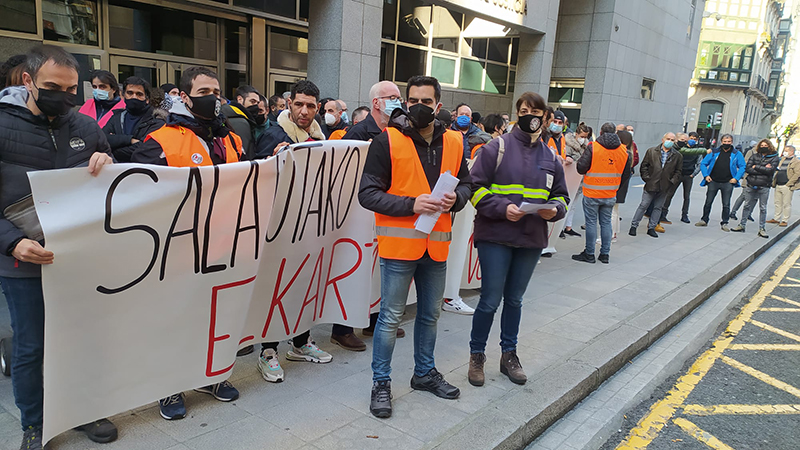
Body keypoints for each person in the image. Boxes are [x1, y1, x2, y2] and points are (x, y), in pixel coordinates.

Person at [0, 44, 117, 449]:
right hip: (23, 260)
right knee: (31, 346)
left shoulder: (85, 127)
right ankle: (36, 423)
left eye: (72, 90)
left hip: (80, 257)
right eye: (53, 87)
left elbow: (116, 183)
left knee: (84, 337)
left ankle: (85, 409)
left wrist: (108, 165)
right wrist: (12, 242)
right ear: (28, 81)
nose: (64, 97)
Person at [131, 66, 245, 420]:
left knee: (213, 315)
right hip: (177, 247)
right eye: (204, 90)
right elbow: (141, 194)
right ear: (184, 96)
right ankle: (168, 387)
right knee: (174, 317)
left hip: (223, 243)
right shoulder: (161, 140)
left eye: (216, 90)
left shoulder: (231, 139)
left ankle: (209, 376)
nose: (212, 97)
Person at [361, 75, 472, 419]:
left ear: (438, 106)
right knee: (391, 317)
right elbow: (367, 194)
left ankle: (424, 373)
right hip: (398, 249)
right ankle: (381, 383)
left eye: (426, 101)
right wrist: (411, 204)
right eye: (413, 101)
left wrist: (457, 199)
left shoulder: (454, 141)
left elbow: (466, 183)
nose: (419, 107)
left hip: (436, 247)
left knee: (430, 315)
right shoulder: (387, 141)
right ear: (405, 104)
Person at [468, 92, 568, 387]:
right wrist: (502, 208)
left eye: (535, 111)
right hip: (496, 236)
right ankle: (477, 355)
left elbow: (561, 196)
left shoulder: (551, 157)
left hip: (531, 238)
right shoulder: (495, 148)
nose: (529, 115)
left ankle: (508, 355)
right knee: (489, 300)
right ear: (515, 114)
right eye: (524, 110)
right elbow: (475, 188)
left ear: (545, 117)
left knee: (515, 300)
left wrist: (556, 210)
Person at [331, 80, 407, 352]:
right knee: (355, 267)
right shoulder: (359, 132)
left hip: (383, 206)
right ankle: (342, 328)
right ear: (377, 102)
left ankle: (375, 319)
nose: (399, 101)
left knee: (378, 266)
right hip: (357, 210)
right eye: (392, 97)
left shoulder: (398, 130)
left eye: (400, 97)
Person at [572, 123, 631, 264]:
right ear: (615, 133)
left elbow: (580, 168)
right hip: (610, 193)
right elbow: (626, 174)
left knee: (591, 223)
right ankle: (605, 254)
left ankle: (589, 253)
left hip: (592, 192)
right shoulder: (624, 151)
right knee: (606, 223)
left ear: (600, 132)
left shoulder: (593, 147)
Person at [628, 133, 682, 238]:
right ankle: (634, 226)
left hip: (665, 185)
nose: (669, 141)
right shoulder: (652, 151)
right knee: (644, 205)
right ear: (663, 139)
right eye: (668, 139)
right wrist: (647, 178)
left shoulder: (677, 155)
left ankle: (652, 227)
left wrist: (672, 181)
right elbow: (644, 166)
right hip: (651, 183)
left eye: (672, 139)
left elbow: (678, 171)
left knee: (658, 207)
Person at [101, 76, 165, 163]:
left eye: (139, 94)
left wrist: (113, 149)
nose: (134, 97)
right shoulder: (116, 118)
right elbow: (102, 139)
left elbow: (143, 150)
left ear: (147, 99)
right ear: (123, 95)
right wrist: (129, 140)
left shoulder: (157, 121)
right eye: (130, 93)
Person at [256, 80, 326, 158]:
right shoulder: (272, 136)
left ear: (318, 108)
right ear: (289, 105)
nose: (304, 112)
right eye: (299, 104)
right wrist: (273, 161)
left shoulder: (320, 139)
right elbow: (257, 168)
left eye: (310, 106)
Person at [695, 134, 746, 231]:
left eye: (729, 142)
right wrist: (706, 175)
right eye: (725, 142)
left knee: (726, 204)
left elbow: (743, 166)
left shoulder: (737, 154)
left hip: (728, 182)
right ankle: (704, 220)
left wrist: (736, 178)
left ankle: (725, 222)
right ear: (721, 142)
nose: (726, 143)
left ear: (732, 142)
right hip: (713, 181)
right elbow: (703, 163)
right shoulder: (714, 152)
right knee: (708, 202)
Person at [731, 140, 779, 237]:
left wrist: (756, 166)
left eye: (766, 145)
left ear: (770, 147)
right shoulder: (754, 156)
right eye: (762, 145)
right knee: (747, 205)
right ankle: (742, 225)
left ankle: (762, 228)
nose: (763, 147)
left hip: (764, 185)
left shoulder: (774, 158)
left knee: (763, 207)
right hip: (751, 184)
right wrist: (763, 168)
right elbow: (748, 169)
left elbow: (770, 171)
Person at [560, 122, 591, 238]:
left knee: (573, 205)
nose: (583, 139)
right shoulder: (568, 144)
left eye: (585, 137)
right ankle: (560, 227)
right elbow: (565, 158)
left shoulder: (586, 147)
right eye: (581, 136)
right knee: (565, 204)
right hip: (568, 180)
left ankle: (568, 226)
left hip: (579, 181)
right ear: (576, 134)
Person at [221, 85, 261, 159]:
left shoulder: (227, 115)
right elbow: (244, 152)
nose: (255, 106)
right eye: (252, 101)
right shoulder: (241, 122)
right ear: (240, 99)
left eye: (257, 103)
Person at [769, 145, 800, 226]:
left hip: (787, 185)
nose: (784, 152)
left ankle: (785, 220)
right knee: (777, 202)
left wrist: (789, 183)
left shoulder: (796, 162)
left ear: (791, 152)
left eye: (786, 151)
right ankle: (776, 218)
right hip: (778, 184)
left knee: (786, 203)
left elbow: (797, 174)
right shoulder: (782, 159)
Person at [729, 142, 757, 223]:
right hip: (749, 177)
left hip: (759, 180)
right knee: (744, 196)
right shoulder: (751, 152)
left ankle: (749, 214)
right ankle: (733, 212)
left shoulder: (766, 155)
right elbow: (745, 164)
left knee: (755, 198)